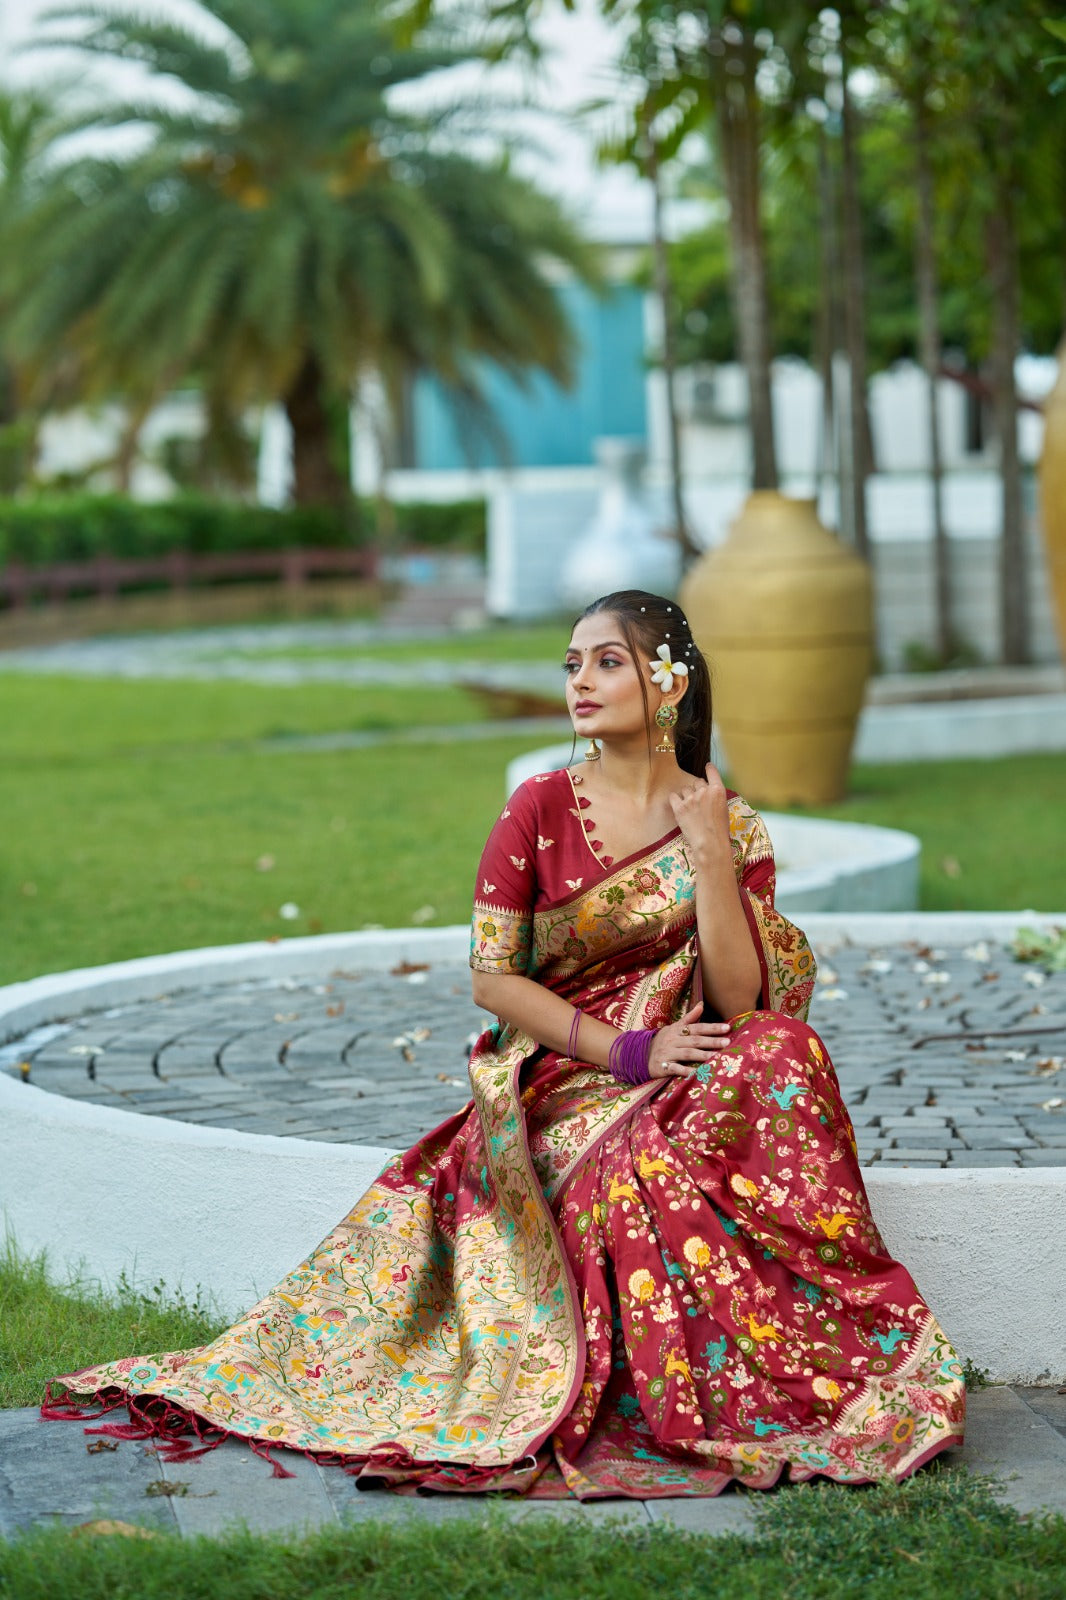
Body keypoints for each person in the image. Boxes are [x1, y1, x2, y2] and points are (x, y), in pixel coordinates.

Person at [44, 589, 965, 1498]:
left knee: (780, 1053)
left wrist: (712, 855)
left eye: (608, 661)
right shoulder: (539, 811)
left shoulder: (726, 819)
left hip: (688, 1048)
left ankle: (812, 1351)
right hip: (567, 1072)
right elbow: (493, 978)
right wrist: (627, 1054)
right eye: (573, 663)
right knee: (634, 1172)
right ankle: (691, 1387)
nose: (581, 680)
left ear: (670, 683)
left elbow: (740, 997)